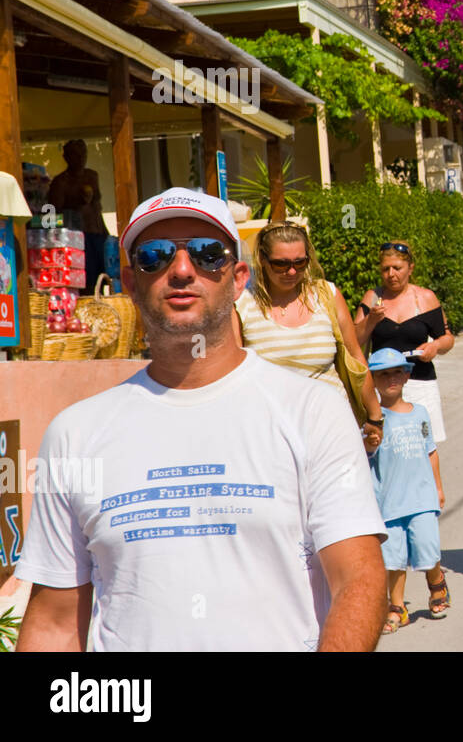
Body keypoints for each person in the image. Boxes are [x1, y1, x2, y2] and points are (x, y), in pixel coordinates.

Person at [15, 187, 387, 651]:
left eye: (209, 254)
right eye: (155, 256)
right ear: (130, 283)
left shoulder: (312, 411)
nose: (183, 270)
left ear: (238, 280)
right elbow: (53, 623)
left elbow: (359, 579)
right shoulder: (75, 435)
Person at [236, 220, 384, 431]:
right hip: (271, 430)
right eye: (281, 264)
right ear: (262, 259)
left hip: (332, 425)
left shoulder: (326, 295)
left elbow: (355, 356)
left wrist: (375, 416)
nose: (292, 272)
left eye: (300, 263)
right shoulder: (243, 304)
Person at [366, 348, 449, 633]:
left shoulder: (420, 413)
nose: (391, 378)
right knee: (393, 559)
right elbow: (365, 456)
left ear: (407, 375)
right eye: (383, 374)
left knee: (427, 548)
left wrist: (438, 487)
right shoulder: (371, 419)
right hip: (388, 502)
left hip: (422, 497)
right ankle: (397, 607)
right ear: (372, 380)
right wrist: (369, 441)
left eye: (397, 372)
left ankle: (437, 582)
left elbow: (431, 451)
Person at [355, 241, 455, 443]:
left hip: (420, 384)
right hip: (382, 387)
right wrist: (371, 320)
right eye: (385, 269)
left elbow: (447, 338)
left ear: (410, 268)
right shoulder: (372, 298)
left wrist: (434, 346)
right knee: (384, 446)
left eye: (397, 268)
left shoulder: (426, 298)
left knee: (426, 447)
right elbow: (354, 341)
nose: (391, 274)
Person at [46, 138, 109, 289]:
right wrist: (76, 202)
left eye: (83, 154)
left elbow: (97, 207)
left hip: (97, 232)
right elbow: (54, 213)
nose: (81, 158)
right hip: (77, 237)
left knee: (104, 276)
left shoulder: (92, 176)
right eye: (76, 154)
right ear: (66, 157)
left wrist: (105, 232)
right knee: (86, 279)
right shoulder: (61, 182)